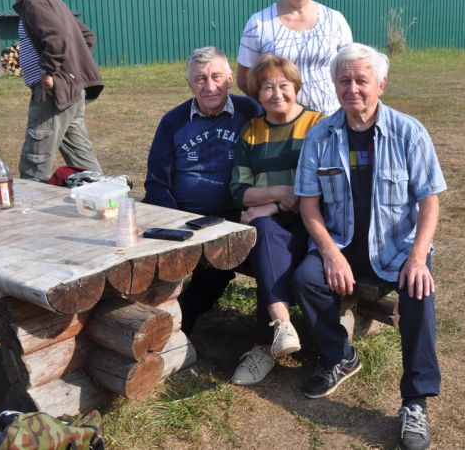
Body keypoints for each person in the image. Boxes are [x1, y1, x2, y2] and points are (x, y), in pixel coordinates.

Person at [292, 44, 446, 450]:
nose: (353, 88)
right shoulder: (320, 136)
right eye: (344, 80)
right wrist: (330, 252)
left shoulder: (409, 131)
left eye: (362, 80)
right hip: (343, 244)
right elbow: (309, 206)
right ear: (335, 86)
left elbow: (430, 202)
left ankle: (415, 401)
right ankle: (340, 355)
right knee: (306, 279)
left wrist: (418, 258)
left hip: (397, 248)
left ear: (381, 84)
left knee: (418, 292)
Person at [144, 47, 261, 334]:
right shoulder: (173, 121)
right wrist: (176, 224)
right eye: (200, 79)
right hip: (181, 215)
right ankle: (149, 316)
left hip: (232, 216)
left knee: (220, 260)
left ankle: (180, 324)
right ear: (190, 85)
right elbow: (157, 182)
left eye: (216, 77)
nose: (209, 86)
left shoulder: (250, 112)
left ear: (230, 79)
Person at [228, 55, 324, 385]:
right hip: (271, 225)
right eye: (267, 87)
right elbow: (239, 190)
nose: (277, 93)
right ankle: (281, 327)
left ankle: (265, 343)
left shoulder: (317, 125)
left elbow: (322, 181)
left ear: (296, 87)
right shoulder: (252, 132)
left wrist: (271, 205)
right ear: (257, 94)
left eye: (284, 85)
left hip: (315, 221)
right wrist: (279, 193)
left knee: (264, 231)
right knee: (264, 234)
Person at [0, 0, 103, 181]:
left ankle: (31, 201)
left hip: (52, 93)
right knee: (81, 158)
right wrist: (71, 70)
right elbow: (87, 36)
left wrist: (49, 72)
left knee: (35, 160)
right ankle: (106, 194)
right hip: (68, 90)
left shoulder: (33, 1)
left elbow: (58, 39)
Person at [236, 0, 352, 117]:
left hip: (330, 122)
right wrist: (272, 106)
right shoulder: (259, 24)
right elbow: (244, 80)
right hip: (279, 127)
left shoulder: (336, 20)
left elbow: (349, 72)